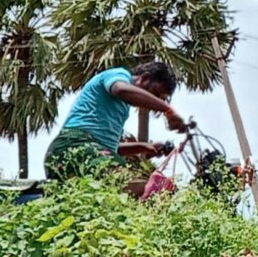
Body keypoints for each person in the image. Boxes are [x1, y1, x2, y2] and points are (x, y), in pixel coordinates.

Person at [44, 60, 191, 182]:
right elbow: (120, 89)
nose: (154, 100)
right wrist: (167, 110)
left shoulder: (121, 109)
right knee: (134, 185)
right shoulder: (118, 74)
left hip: (80, 151)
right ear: (144, 78)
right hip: (74, 145)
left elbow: (111, 148)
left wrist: (144, 146)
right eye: (155, 93)